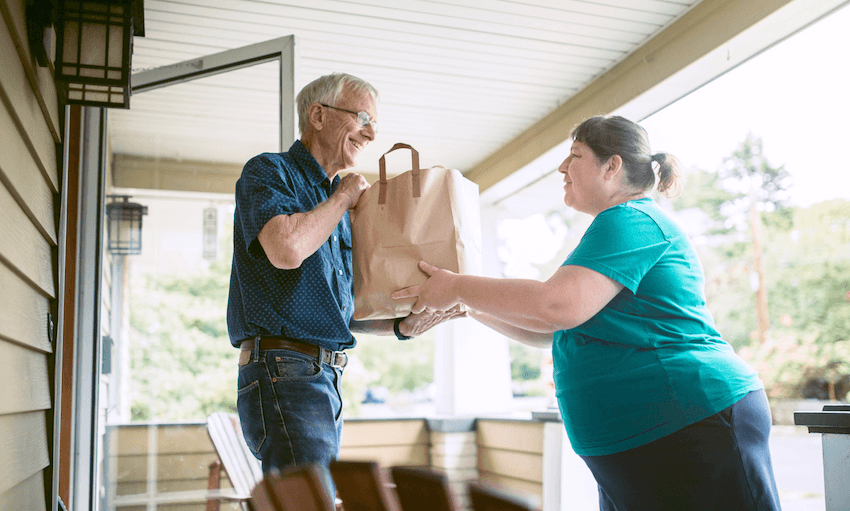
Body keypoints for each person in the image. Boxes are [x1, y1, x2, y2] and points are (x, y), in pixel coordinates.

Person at [393, 115, 782, 510]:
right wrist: (465, 304)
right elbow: (549, 328)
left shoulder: (632, 218)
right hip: (642, 439)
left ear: (611, 166)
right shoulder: (613, 228)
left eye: (575, 155)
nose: (562, 168)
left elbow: (556, 305)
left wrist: (457, 285)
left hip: (691, 418)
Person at [227, 72, 459, 475]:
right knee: (310, 503)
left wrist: (405, 326)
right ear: (318, 115)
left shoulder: (336, 208)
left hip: (320, 377)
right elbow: (286, 250)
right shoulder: (269, 172)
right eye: (363, 119)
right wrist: (344, 197)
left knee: (312, 499)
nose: (371, 135)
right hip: (285, 370)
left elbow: (344, 313)